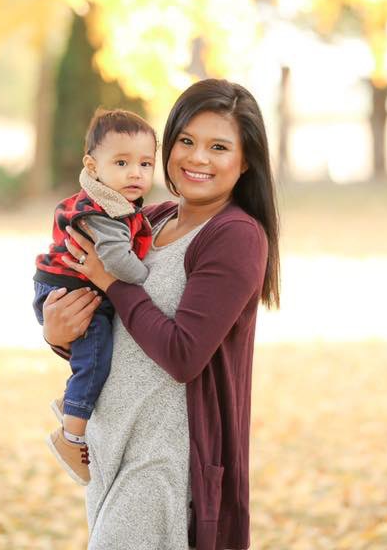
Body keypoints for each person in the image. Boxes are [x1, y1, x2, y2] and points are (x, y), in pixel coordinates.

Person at [41, 78, 280, 550]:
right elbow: (118, 335)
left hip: (166, 455)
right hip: (112, 446)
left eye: (218, 147)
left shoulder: (235, 235)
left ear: (245, 160)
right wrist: (58, 333)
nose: (198, 158)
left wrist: (113, 283)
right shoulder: (148, 219)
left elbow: (183, 354)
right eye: (186, 141)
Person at [32, 108, 157, 485]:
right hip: (71, 291)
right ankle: (71, 437)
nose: (135, 173)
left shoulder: (109, 201)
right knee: (97, 354)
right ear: (92, 165)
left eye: (145, 164)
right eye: (122, 163)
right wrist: (147, 279)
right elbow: (117, 260)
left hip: (64, 285)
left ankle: (74, 400)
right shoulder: (106, 213)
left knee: (95, 357)